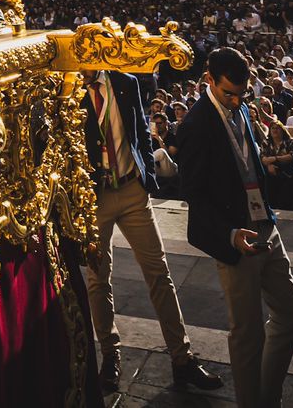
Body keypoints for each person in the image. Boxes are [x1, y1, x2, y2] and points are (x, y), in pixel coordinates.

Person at [79, 70, 223, 395]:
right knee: (98, 279)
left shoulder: (125, 83)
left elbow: (141, 130)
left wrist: (147, 176)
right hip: (94, 198)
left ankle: (182, 358)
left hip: (132, 190)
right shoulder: (69, 89)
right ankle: (110, 357)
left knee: (159, 274)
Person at [174, 47, 293, 408]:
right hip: (234, 233)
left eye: (240, 93)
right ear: (208, 80)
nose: (234, 99)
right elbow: (194, 195)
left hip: (264, 222)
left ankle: (267, 396)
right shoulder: (194, 125)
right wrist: (230, 234)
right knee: (247, 335)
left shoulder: (241, 107)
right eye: (227, 92)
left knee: (291, 315)